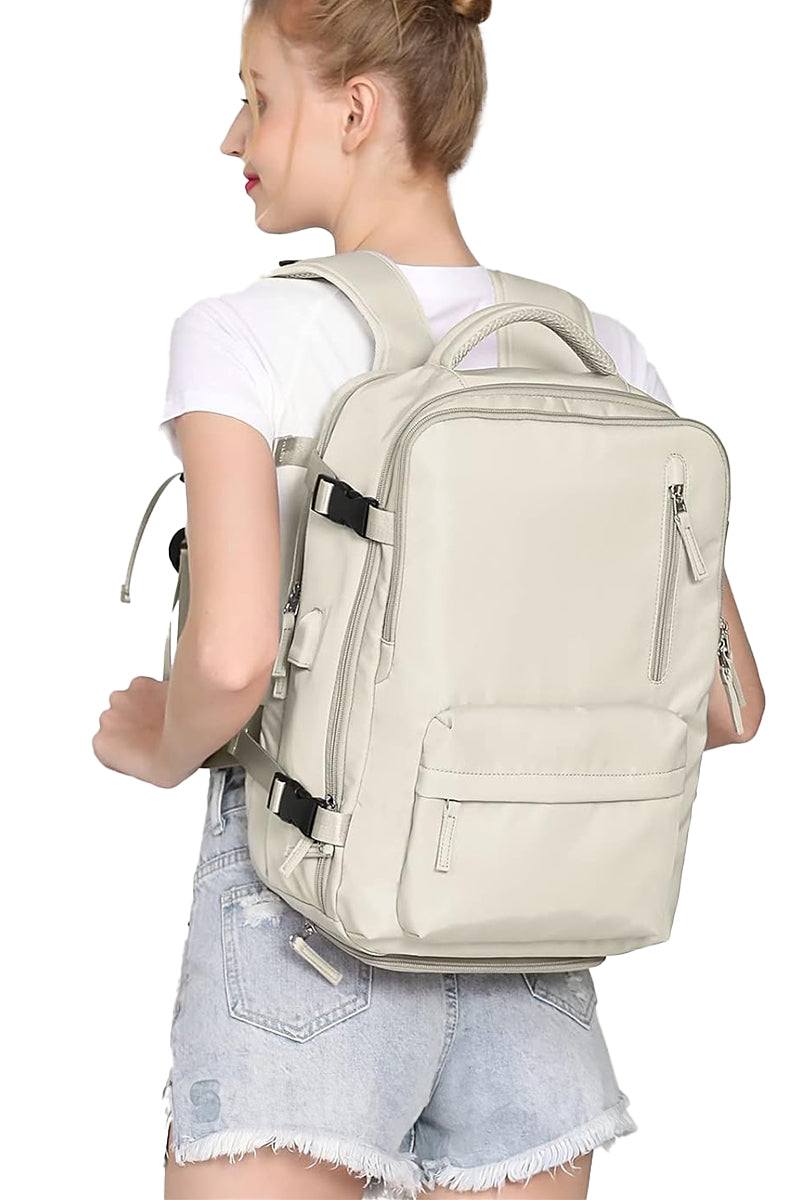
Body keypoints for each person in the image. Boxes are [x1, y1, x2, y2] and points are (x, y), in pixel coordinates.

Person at [92, 2, 765, 1197]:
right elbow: (725, 704)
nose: (231, 134)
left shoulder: (241, 336)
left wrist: (155, 741)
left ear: (355, 109)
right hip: (532, 947)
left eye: (257, 96)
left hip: (303, 926)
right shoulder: (599, 357)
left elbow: (234, 658)